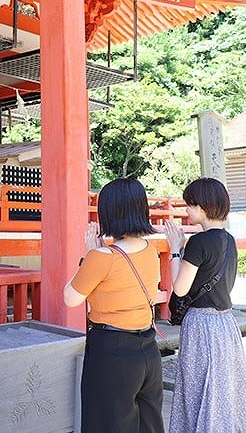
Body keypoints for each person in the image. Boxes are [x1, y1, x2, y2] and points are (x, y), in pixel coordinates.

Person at [64, 177, 164, 433]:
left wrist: (88, 256)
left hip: (112, 351)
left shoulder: (100, 257)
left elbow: (71, 298)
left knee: (107, 424)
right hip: (148, 350)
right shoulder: (150, 251)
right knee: (149, 424)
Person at [164, 177, 246, 433]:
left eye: (190, 205)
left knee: (198, 390)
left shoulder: (198, 242)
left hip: (201, 325)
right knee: (224, 391)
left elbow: (180, 288)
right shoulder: (229, 240)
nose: (187, 211)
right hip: (226, 324)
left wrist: (175, 250)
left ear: (203, 207)